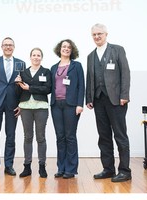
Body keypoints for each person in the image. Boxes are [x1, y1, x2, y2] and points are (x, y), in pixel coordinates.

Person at [85, 23, 131, 182]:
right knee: (103, 136)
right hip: (98, 100)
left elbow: (125, 73)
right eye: (94, 35)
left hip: (117, 100)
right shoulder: (90, 56)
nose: (97, 37)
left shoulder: (117, 49)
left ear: (106, 34)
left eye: (99, 34)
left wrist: (124, 95)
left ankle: (125, 170)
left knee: (120, 135)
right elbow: (89, 79)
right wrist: (89, 98)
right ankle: (108, 169)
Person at [0, 37, 25, 178]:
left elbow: (22, 86)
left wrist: (21, 104)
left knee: (11, 136)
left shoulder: (21, 63)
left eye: (10, 45)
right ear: (1, 46)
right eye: (6, 45)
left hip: (13, 104)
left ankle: (9, 166)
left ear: (14, 47)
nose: (8, 47)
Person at [50, 39, 85, 179]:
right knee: (60, 137)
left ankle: (70, 169)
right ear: (59, 49)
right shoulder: (53, 67)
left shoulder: (77, 66)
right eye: (63, 46)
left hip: (71, 105)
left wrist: (80, 104)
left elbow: (81, 86)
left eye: (69, 47)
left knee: (70, 137)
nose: (66, 49)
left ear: (72, 50)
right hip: (56, 105)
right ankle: (61, 168)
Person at [15, 47, 51, 178]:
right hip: (25, 107)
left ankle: (42, 166)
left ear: (41, 57)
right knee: (27, 137)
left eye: (38, 55)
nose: (36, 57)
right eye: (34, 55)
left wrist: (30, 88)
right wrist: (17, 83)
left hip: (41, 107)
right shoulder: (22, 73)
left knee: (41, 137)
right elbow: (19, 92)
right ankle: (27, 166)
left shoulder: (46, 72)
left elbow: (47, 89)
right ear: (30, 57)